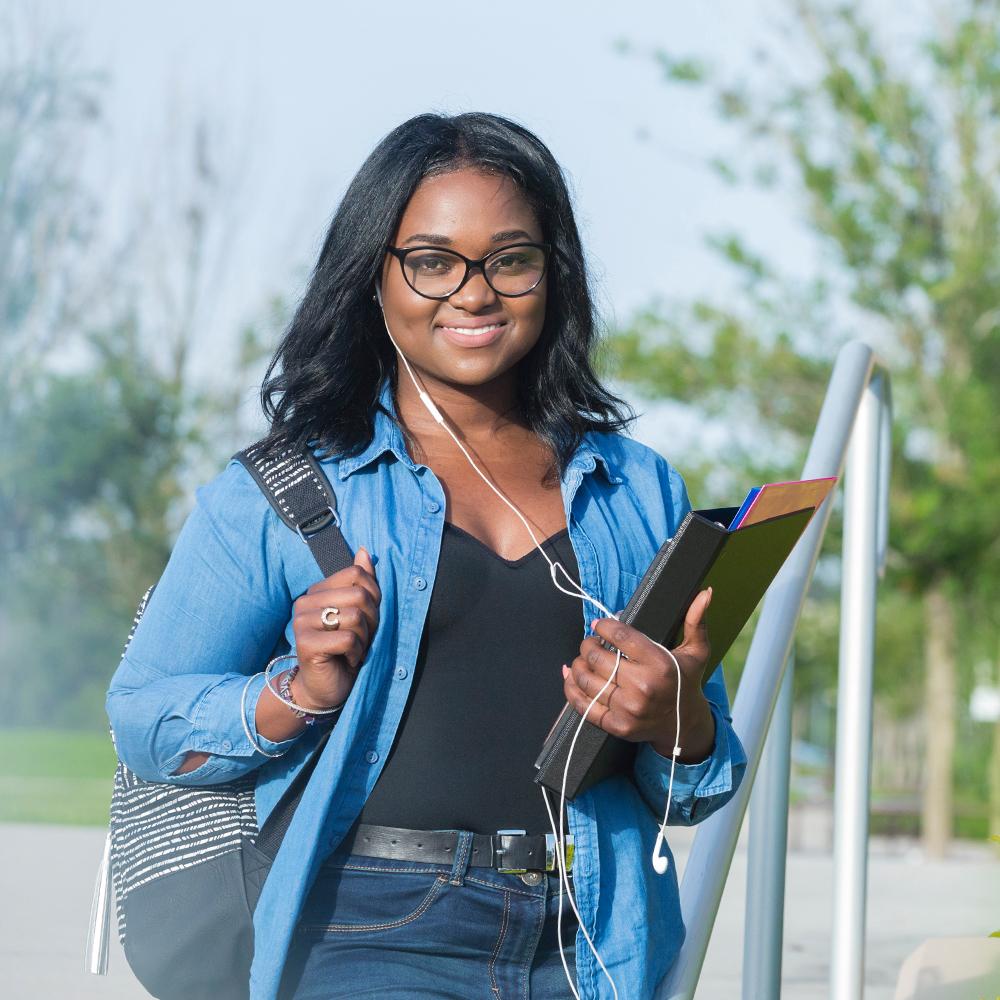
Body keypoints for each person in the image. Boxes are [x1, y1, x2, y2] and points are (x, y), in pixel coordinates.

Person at [106, 112, 747, 1000]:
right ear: (374, 277)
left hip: (593, 936)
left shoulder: (638, 489)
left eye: (511, 259)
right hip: (371, 925)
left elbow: (701, 786)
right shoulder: (287, 489)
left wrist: (677, 720)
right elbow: (143, 716)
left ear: (552, 275)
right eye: (433, 261)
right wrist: (293, 693)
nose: (475, 293)